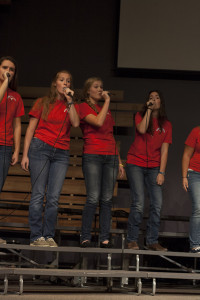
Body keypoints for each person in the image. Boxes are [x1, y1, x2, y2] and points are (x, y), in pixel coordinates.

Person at [21, 70, 79, 247]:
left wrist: (70, 101)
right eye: (62, 80)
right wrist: (25, 154)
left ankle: (48, 235)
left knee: (53, 197)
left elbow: (76, 123)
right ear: (55, 83)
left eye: (68, 81)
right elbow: (30, 129)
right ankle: (36, 236)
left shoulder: (70, 105)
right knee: (38, 194)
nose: (65, 83)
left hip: (61, 153)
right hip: (40, 148)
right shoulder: (42, 102)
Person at [78, 77, 124, 248]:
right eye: (96, 87)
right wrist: (108, 101)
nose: (100, 89)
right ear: (87, 90)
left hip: (110, 156)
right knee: (93, 197)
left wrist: (119, 161)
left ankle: (104, 237)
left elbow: (110, 135)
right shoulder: (83, 106)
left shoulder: (106, 109)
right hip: (93, 155)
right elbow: (97, 122)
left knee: (106, 199)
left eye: (101, 87)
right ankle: (85, 235)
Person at [126, 90, 172, 251]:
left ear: (161, 102)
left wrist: (162, 172)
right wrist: (149, 111)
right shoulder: (140, 115)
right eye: (151, 98)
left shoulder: (166, 124)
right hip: (135, 163)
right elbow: (141, 129)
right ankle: (131, 239)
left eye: (157, 97)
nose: (154, 99)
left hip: (154, 166)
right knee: (138, 203)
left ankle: (152, 240)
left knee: (157, 204)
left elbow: (165, 151)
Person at [0, 56, 24, 245]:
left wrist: (17, 150)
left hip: (5, 147)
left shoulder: (16, 97)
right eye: (5, 67)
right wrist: (5, 82)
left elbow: (17, 125)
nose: (8, 71)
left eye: (12, 69)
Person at [182, 127, 200, 253]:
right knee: (198, 207)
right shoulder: (196, 131)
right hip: (195, 173)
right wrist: (184, 176)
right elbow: (186, 155)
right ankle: (195, 244)